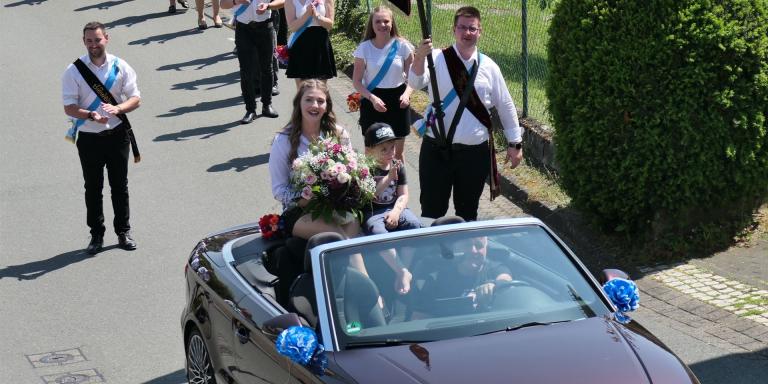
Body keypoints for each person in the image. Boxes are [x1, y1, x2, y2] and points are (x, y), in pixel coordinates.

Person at [409, 6, 524, 221]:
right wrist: (418, 57)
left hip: (473, 154)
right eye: (462, 27)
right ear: (454, 29)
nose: (467, 33)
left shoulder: (489, 67)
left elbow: (505, 104)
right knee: (433, 210)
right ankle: (436, 250)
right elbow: (415, 82)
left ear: (480, 31)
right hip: (436, 148)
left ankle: (467, 252)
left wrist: (515, 143)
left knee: (468, 210)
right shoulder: (435, 58)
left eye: (472, 28)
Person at [62, 21, 141, 254]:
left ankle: (123, 232)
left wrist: (119, 109)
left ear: (106, 38)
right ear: (83, 41)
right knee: (93, 187)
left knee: (120, 185)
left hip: (117, 135)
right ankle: (96, 235)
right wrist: (89, 115)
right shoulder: (73, 71)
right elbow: (69, 107)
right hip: (89, 137)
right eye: (89, 40)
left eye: (97, 40)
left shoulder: (120, 66)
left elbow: (135, 98)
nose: (93, 45)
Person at [268, 79, 359, 240]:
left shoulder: (340, 134)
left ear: (326, 106)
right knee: (337, 236)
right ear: (299, 104)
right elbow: (279, 191)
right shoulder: (282, 141)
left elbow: (352, 172)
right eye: (309, 99)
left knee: (354, 230)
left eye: (320, 101)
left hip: (336, 207)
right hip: (299, 211)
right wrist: (305, 198)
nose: (315, 105)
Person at [353, 6, 414, 161]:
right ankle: (371, 184)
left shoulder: (403, 46)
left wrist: (407, 94)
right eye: (378, 21)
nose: (382, 25)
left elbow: (413, 78)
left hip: (398, 101)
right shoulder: (364, 48)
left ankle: (398, 184)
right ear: (372, 25)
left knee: (397, 154)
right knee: (371, 152)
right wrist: (372, 98)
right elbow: (357, 82)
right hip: (372, 100)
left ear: (392, 23)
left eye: (386, 21)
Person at [412, 236, 513, 318]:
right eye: (467, 245)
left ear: (486, 248)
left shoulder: (494, 269)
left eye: (479, 246)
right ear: (455, 249)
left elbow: (505, 278)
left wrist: (494, 285)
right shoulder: (436, 278)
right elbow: (419, 318)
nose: (474, 251)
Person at [220, 0, 283, 123]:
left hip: (265, 27)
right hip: (244, 29)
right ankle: (250, 110)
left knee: (267, 68)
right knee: (246, 70)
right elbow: (223, 4)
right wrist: (236, 1)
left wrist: (268, 6)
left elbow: (283, 2)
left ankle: (267, 105)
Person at [284, 0, 336, 88]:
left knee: (320, 90)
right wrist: (307, 14)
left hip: (320, 46)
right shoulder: (290, 1)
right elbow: (292, 27)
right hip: (300, 46)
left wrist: (317, 16)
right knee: (302, 91)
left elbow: (330, 25)